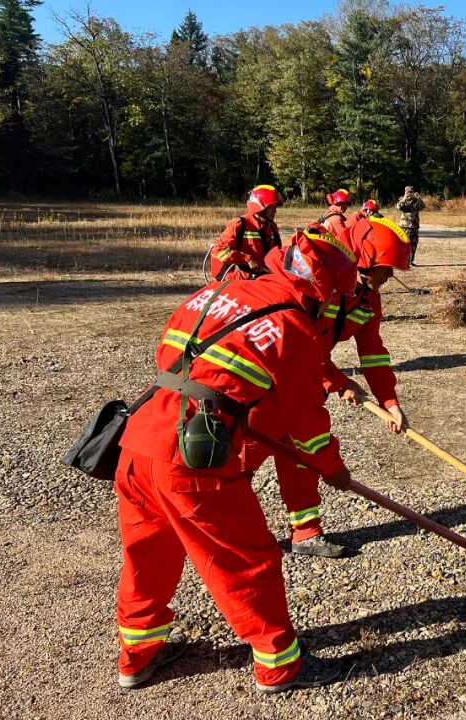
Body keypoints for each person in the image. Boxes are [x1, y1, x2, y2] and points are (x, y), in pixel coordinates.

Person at [114, 229, 359, 693]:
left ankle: (136, 658)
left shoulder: (212, 293)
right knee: (248, 562)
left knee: (147, 556)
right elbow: (307, 423)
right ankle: (279, 666)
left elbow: (172, 360)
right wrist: (333, 469)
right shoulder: (294, 327)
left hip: (139, 441)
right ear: (325, 292)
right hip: (193, 464)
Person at [273, 217, 413, 558]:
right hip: (271, 382)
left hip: (305, 382)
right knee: (241, 460)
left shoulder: (367, 300)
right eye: (387, 269)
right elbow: (299, 344)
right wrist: (337, 381)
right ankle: (227, 535)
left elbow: (373, 353)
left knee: (302, 457)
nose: (390, 276)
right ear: (366, 260)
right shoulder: (321, 285)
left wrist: (390, 402)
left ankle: (305, 532)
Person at [209, 185, 284, 281]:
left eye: (275, 207)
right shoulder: (239, 224)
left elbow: (277, 253)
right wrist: (247, 259)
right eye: (271, 207)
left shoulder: (272, 227)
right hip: (239, 281)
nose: (275, 211)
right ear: (259, 208)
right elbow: (219, 251)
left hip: (263, 278)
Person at [396, 185, 426, 265]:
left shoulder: (416, 201)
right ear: (405, 192)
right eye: (408, 192)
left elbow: (423, 207)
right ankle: (403, 261)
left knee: (414, 244)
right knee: (404, 244)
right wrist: (404, 198)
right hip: (405, 226)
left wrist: (418, 198)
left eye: (411, 192)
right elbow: (398, 207)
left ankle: (411, 261)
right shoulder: (402, 200)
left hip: (414, 226)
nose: (410, 194)